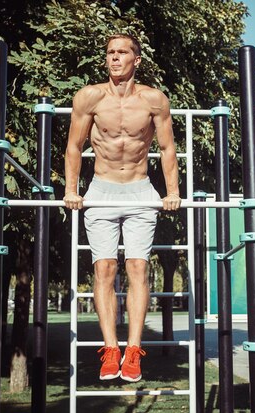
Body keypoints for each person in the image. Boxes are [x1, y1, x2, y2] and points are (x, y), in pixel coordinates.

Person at [63, 33, 181, 382]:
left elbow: (168, 149)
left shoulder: (154, 100)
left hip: (141, 191)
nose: (115, 58)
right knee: (104, 269)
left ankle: (133, 351)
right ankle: (110, 349)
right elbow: (74, 146)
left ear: (137, 60)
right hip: (101, 190)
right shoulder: (90, 97)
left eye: (122, 53)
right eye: (110, 53)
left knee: (138, 268)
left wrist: (171, 191)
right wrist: (72, 189)